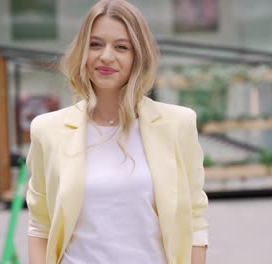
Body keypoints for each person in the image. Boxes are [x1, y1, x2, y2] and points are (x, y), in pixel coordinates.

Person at [26, 1, 209, 263]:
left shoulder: (178, 124)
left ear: (138, 55)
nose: (106, 56)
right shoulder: (47, 130)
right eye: (95, 44)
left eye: (121, 47)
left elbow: (196, 222)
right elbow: (40, 225)